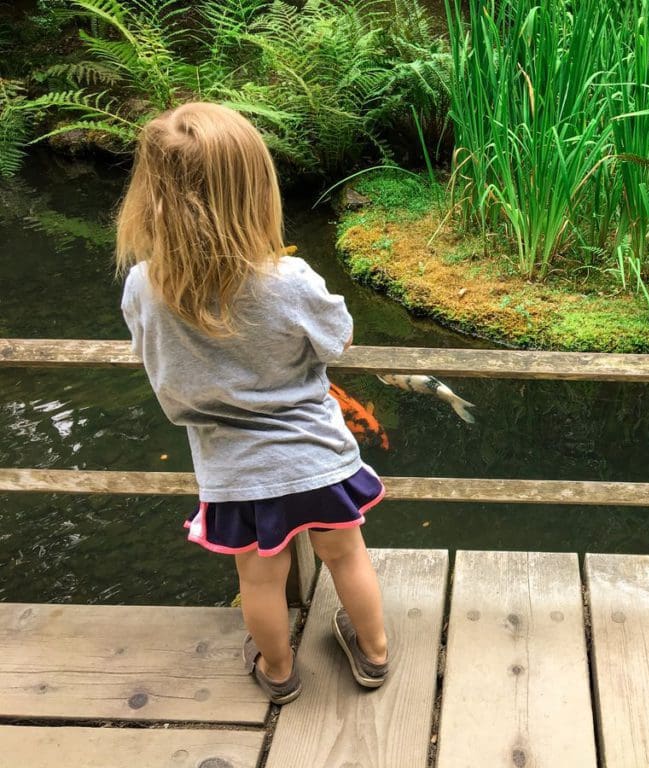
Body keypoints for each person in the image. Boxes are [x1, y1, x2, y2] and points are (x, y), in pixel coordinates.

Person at [117, 102, 389, 704]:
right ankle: (373, 654)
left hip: (234, 472)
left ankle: (277, 670)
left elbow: (151, 354)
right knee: (347, 556)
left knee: (259, 580)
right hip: (318, 456)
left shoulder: (144, 285)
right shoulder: (288, 278)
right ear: (253, 188)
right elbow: (337, 340)